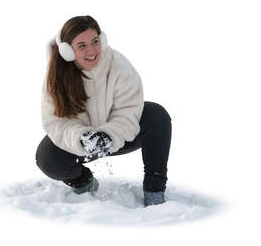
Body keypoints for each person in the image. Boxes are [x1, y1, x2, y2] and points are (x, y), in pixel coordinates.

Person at [35, 15, 172, 207]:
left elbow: (128, 110)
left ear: (102, 40)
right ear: (68, 51)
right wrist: (82, 138)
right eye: (82, 45)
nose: (91, 51)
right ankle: (83, 181)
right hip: (81, 144)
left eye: (95, 42)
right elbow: (56, 122)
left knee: (157, 115)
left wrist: (109, 135)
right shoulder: (56, 76)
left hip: (120, 136)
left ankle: (154, 191)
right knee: (47, 158)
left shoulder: (119, 66)